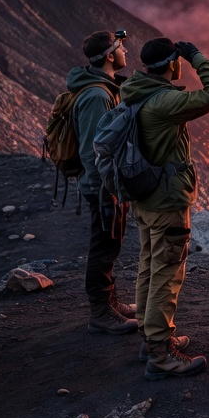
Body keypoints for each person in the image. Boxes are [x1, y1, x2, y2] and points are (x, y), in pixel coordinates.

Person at [121, 37, 209, 380]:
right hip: (167, 200)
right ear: (172, 64)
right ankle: (161, 354)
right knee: (167, 274)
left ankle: (150, 337)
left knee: (150, 266)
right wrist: (197, 56)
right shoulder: (166, 101)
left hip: (144, 197)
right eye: (178, 60)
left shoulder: (135, 91)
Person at [68, 30, 136, 336]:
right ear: (110, 55)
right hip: (102, 187)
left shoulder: (104, 89)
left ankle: (110, 303)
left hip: (107, 184)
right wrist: (106, 189)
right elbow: (92, 149)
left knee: (110, 243)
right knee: (103, 246)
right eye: (121, 47)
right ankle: (100, 313)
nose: (125, 52)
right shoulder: (97, 96)